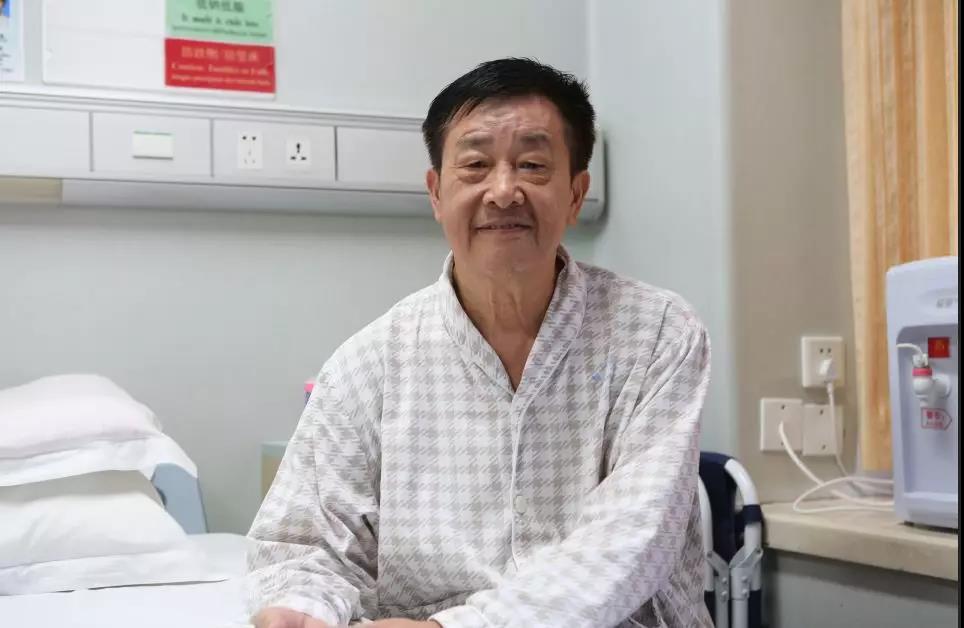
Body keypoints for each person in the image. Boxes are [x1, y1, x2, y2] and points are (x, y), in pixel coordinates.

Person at [246, 57, 713, 628]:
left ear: (575, 193)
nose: (504, 190)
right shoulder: (369, 368)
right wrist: (300, 609)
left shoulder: (657, 334)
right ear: (436, 193)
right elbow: (304, 545)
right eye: (475, 165)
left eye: (533, 165)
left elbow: (631, 541)